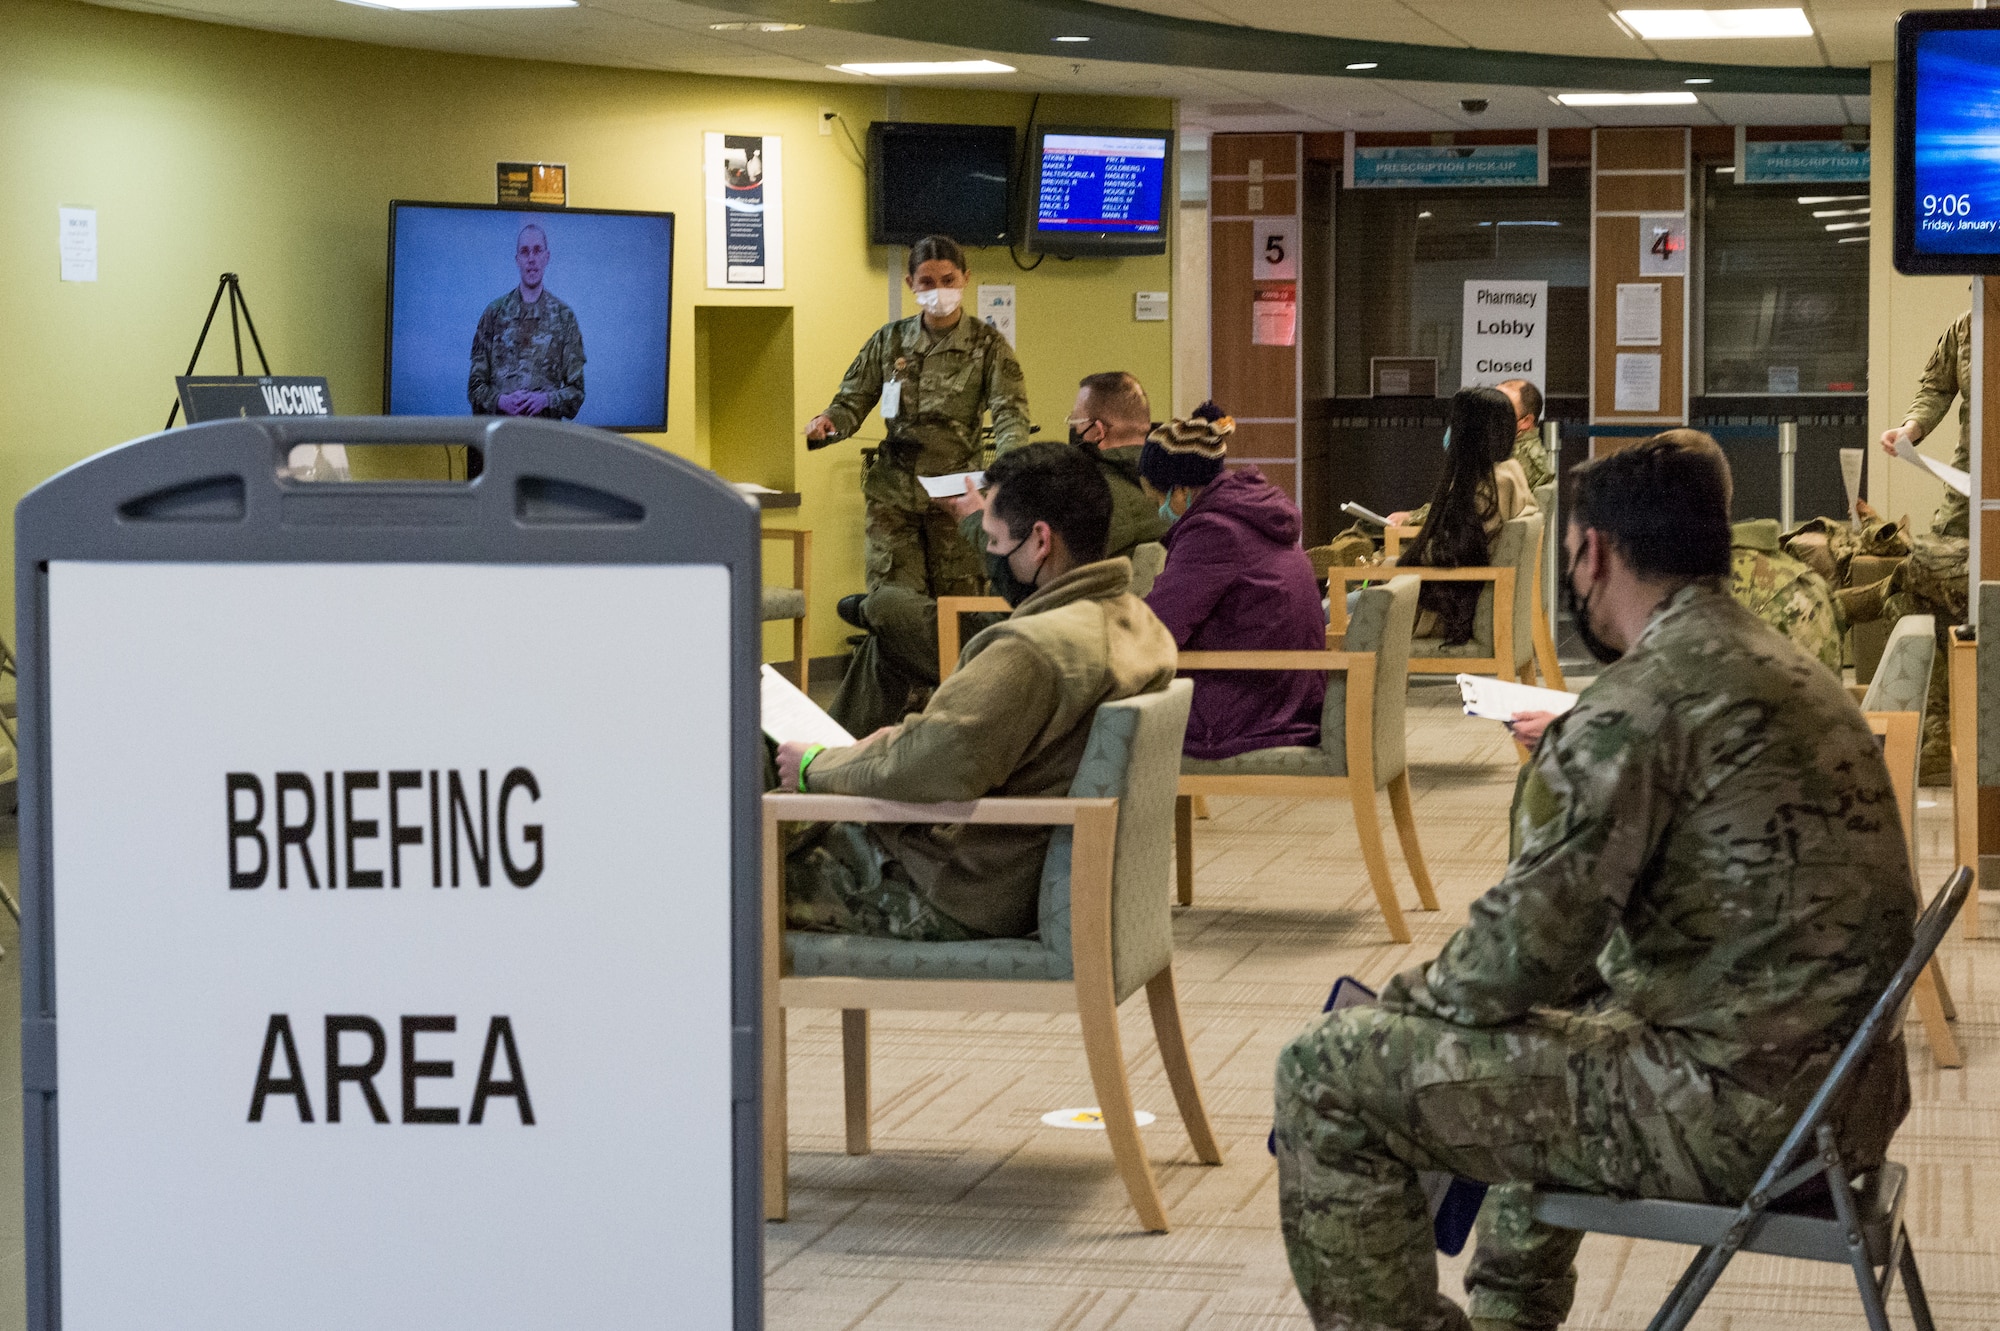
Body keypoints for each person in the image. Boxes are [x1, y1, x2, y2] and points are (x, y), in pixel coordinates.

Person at [1275, 438, 1916, 1331]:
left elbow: (1515, 956)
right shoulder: (1790, 670)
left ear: (1594, 552)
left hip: (1738, 1116)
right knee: (1559, 1037)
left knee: (1326, 1072)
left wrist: (1395, 1004)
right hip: (1842, 1098)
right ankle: (1510, 1314)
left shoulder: (1639, 701)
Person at [774, 442, 1175, 941]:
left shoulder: (1034, 648)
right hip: (1027, 875)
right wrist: (886, 747)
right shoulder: (1139, 623)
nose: (989, 555)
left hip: (955, 890)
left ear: (1041, 541)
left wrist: (816, 766)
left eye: (992, 539)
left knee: (731, 874)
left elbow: (935, 765)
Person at [826, 372, 1171, 740]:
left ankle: (827, 749)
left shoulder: (1091, 491)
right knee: (889, 643)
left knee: (889, 609)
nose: (1072, 430)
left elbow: (1023, 559)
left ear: (1097, 430)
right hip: (1076, 628)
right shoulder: (1157, 489)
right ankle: (834, 753)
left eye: (1075, 422)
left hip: (1026, 631)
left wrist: (974, 517)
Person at [807, 234, 1031, 599]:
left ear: (965, 279)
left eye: (948, 281)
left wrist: (1007, 479)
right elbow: (851, 402)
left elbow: (1010, 415)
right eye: (927, 282)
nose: (938, 290)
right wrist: (828, 424)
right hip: (893, 499)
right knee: (894, 608)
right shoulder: (889, 341)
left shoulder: (989, 345)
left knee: (960, 606)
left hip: (959, 499)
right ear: (911, 284)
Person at [1140, 410, 1327, 758]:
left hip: (1249, 711)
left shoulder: (1214, 532)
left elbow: (1159, 628)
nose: (1159, 512)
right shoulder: (1251, 512)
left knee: (1103, 717)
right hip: (1288, 697)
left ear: (1179, 491)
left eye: (1156, 501)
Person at [1395, 387, 1537, 645]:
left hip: (1442, 614)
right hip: (1472, 601)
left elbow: (1450, 556)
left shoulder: (1479, 489)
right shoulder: (1510, 472)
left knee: (1332, 607)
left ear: (1466, 433)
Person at [1387, 378, 1550, 527]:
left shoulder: (1512, 464)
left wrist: (1412, 518)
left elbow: (1466, 513)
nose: (1488, 415)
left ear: (1526, 422)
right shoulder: (1510, 453)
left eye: (1501, 410)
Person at [468, 222, 585, 419]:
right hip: (501, 437)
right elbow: (475, 388)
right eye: (525, 252)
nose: (531, 259)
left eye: (537, 251)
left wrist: (545, 400)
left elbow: (576, 393)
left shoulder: (565, 318)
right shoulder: (493, 314)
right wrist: (501, 401)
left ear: (546, 257)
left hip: (544, 439)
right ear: (517, 260)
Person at [1879, 307, 1971, 539]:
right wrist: (1911, 428)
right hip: (1973, 468)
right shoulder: (1967, 327)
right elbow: (1937, 388)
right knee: (1944, 548)